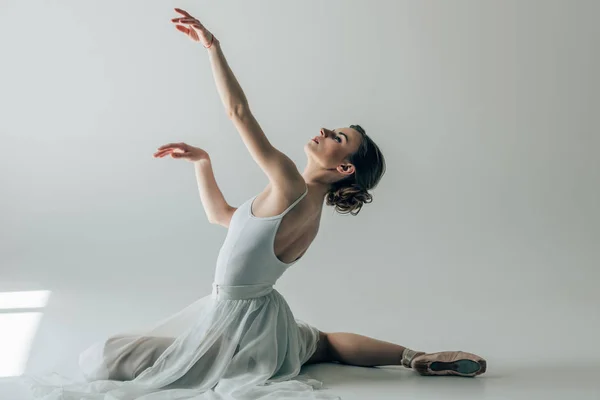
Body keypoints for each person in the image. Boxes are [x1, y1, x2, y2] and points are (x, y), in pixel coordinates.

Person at [20, 7, 486, 400]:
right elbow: (222, 218)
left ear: (344, 167)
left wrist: (212, 48)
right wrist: (202, 161)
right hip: (269, 324)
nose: (325, 131)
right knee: (320, 343)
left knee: (102, 356)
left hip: (235, 331)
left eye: (338, 138)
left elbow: (238, 113)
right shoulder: (307, 205)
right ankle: (415, 357)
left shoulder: (289, 183)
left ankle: (405, 357)